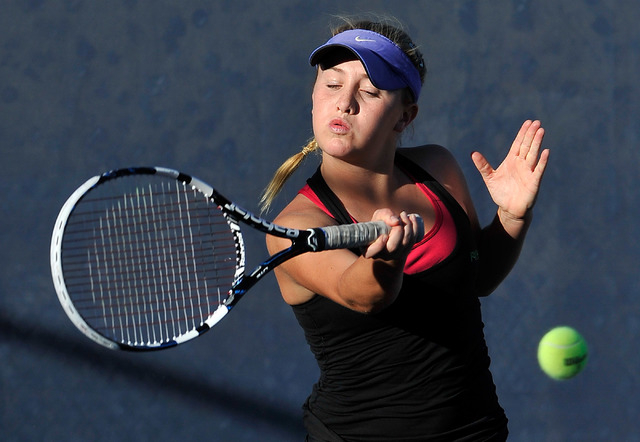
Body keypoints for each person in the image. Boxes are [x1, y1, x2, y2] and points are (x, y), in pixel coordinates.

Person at [261, 17, 549, 441]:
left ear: (404, 116)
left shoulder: (438, 168)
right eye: (332, 84)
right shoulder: (297, 224)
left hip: (476, 431)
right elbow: (362, 295)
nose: (344, 102)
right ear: (314, 96)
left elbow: (479, 276)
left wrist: (512, 218)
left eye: (370, 90)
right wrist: (388, 258)